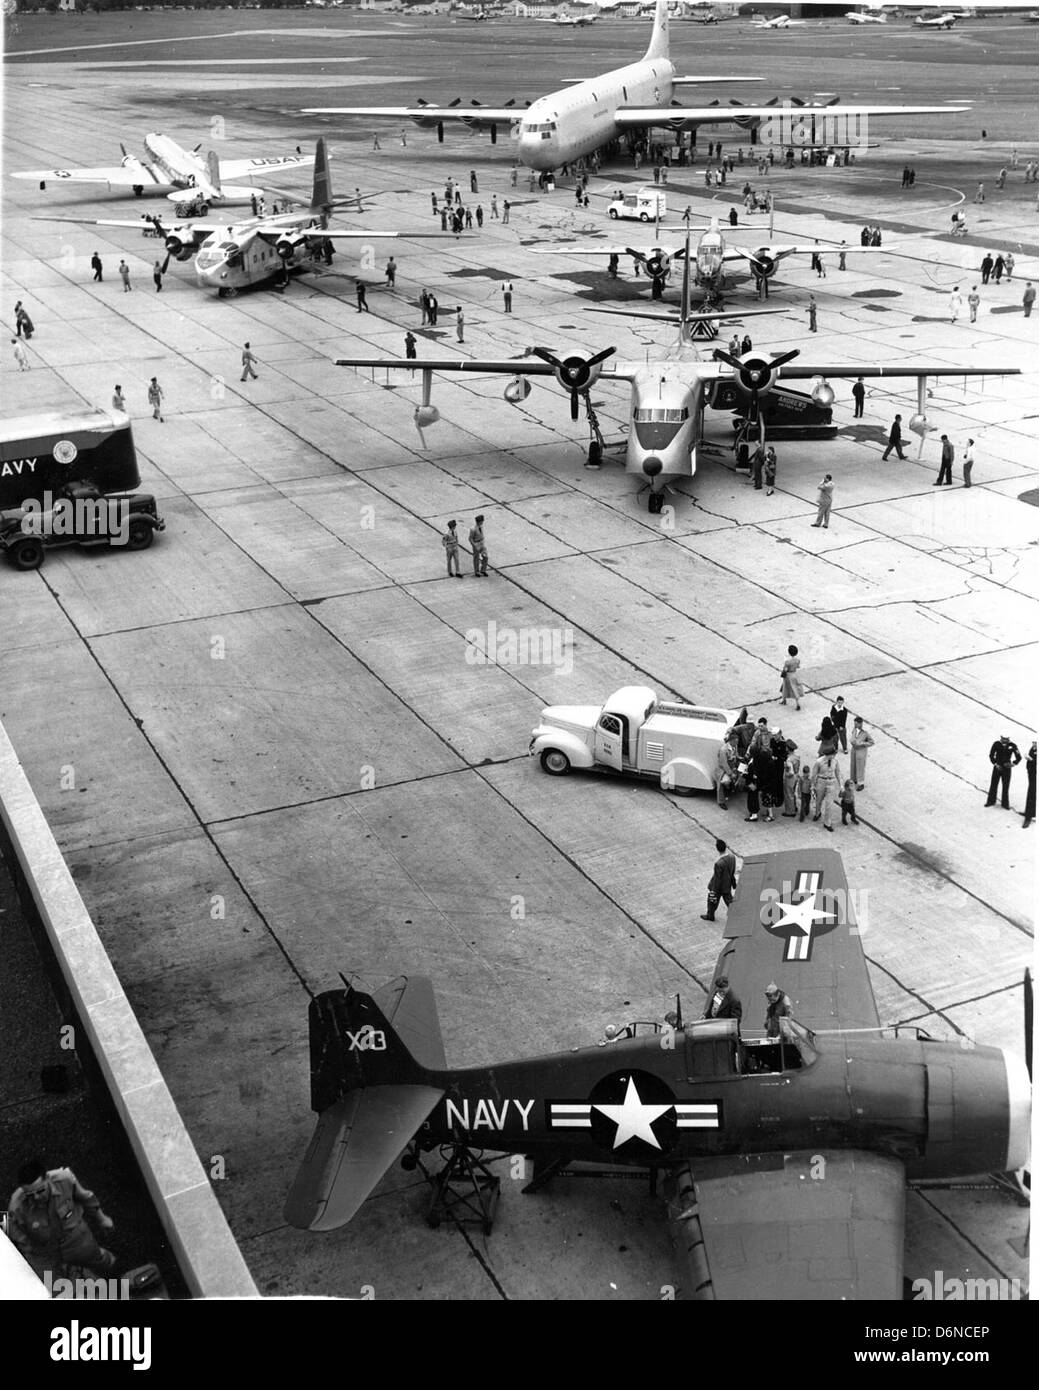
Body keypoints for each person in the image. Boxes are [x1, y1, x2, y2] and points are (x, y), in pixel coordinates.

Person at [7, 1159, 115, 1278]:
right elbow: (16, 1233)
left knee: (98, 1261)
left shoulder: (64, 1179)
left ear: (47, 1178)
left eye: (40, 1191)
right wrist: (30, 1253)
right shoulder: (16, 1205)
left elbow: (86, 1198)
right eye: (30, 1194)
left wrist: (102, 1219)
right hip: (44, 1250)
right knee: (53, 1286)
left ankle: (117, 1274)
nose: (36, 1197)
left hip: (75, 1238)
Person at [700, 839, 738, 922]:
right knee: (729, 900)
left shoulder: (718, 864)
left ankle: (710, 915)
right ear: (725, 847)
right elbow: (732, 870)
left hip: (719, 886)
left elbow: (717, 879)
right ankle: (736, 914)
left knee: (712, 901)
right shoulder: (732, 857)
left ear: (717, 849)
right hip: (727, 884)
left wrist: (713, 890)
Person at [985, 734, 1022, 809]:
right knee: (993, 784)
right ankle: (991, 801)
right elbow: (991, 755)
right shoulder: (996, 744)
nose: (1004, 740)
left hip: (1006, 768)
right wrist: (995, 764)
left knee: (1005, 786)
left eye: (1006, 739)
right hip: (997, 767)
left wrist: (1013, 763)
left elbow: (1019, 757)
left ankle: (1005, 804)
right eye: (1003, 738)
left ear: (1008, 739)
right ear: (1001, 738)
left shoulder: (1012, 745)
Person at [812, 751, 840, 832]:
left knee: (829, 804)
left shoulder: (835, 761)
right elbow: (814, 774)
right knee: (818, 800)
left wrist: (840, 785)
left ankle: (827, 823)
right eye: (833, 754)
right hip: (821, 781)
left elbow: (838, 772)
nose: (834, 756)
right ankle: (817, 813)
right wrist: (813, 785)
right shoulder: (819, 762)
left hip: (831, 782)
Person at [715, 731, 739, 809]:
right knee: (724, 782)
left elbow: (736, 755)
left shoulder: (734, 746)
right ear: (731, 741)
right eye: (735, 741)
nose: (737, 743)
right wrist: (731, 774)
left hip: (732, 767)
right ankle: (721, 801)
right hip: (723, 770)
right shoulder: (723, 750)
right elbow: (724, 764)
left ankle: (731, 789)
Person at [849, 716, 874, 789]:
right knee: (853, 765)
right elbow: (853, 734)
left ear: (860, 724)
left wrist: (862, 743)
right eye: (854, 723)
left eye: (856, 724)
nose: (855, 725)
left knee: (860, 767)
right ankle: (854, 779)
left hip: (861, 751)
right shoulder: (854, 729)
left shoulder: (865, 732)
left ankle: (861, 783)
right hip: (854, 749)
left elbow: (871, 742)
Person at [779, 643, 803, 710]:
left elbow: (785, 669)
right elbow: (798, 666)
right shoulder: (797, 660)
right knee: (794, 689)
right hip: (795, 674)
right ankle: (797, 703)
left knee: (785, 687)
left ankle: (784, 700)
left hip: (788, 676)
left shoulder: (787, 661)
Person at [782, 746, 800, 816]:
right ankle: (794, 806)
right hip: (796, 775)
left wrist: (786, 774)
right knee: (792, 792)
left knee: (788, 794)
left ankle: (790, 811)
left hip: (790, 778)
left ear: (787, 749)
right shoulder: (797, 756)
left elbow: (790, 772)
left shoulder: (789, 759)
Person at [1023, 742, 1036, 829]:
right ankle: (1030, 812)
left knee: (1032, 794)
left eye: (1036, 743)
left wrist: (1031, 760)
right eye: (1033, 742)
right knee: (1030, 793)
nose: (1034, 744)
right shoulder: (1033, 748)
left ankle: (1028, 817)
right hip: (1031, 774)